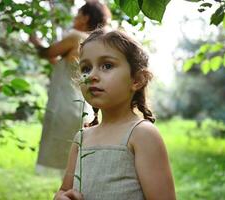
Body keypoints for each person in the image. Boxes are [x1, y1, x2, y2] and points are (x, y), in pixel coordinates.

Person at [54, 29, 176, 200]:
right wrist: (61, 197)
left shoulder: (142, 134)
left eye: (107, 66)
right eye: (86, 68)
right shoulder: (81, 138)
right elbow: (64, 190)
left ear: (137, 80)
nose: (92, 76)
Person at [29, 1, 111, 174]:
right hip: (82, 106)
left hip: (65, 104)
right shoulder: (95, 44)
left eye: (78, 14)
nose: (74, 17)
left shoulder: (75, 37)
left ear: (86, 17)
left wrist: (36, 42)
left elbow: (48, 52)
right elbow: (67, 65)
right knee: (78, 163)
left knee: (67, 163)